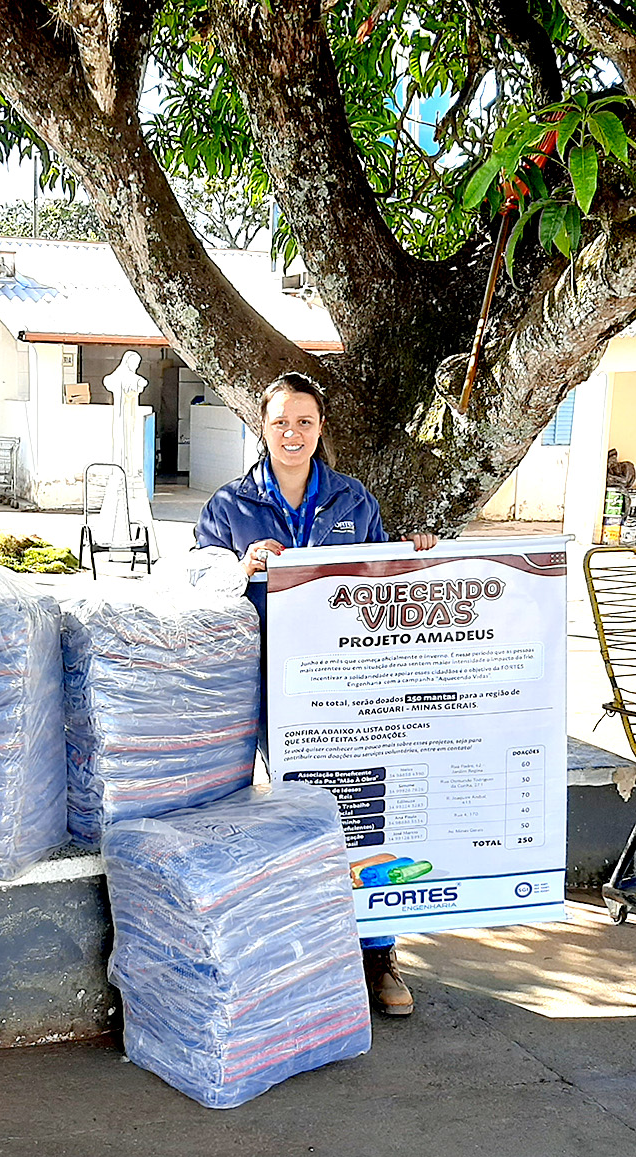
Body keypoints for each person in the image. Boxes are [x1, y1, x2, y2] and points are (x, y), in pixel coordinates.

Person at [195, 371, 437, 1019]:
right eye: (280, 422)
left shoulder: (353, 502)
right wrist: (238, 567)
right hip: (251, 680)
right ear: (262, 428)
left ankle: (378, 951)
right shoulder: (230, 505)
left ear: (321, 427)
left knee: (354, 813)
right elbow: (192, 586)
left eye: (304, 421)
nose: (292, 433)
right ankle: (277, 946)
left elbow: (384, 584)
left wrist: (416, 557)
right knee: (251, 814)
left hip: (338, 691)